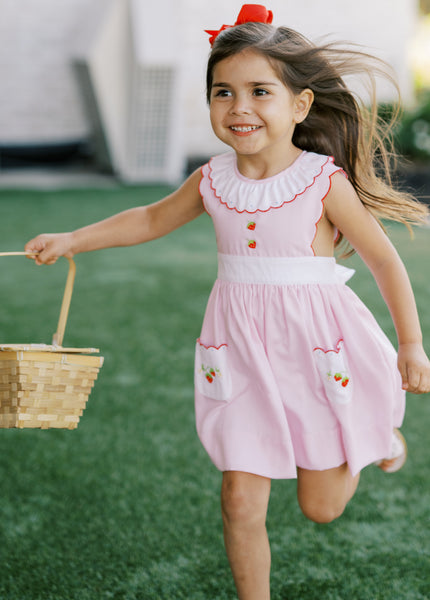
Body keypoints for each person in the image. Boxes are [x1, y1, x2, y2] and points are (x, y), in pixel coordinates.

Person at [25, 5, 430, 599]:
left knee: (320, 509)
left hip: (317, 353)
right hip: (238, 352)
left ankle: (374, 440)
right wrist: (71, 239)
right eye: (223, 92)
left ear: (300, 106)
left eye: (260, 91)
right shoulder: (212, 179)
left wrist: (412, 344)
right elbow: (149, 217)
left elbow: (384, 260)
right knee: (239, 498)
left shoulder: (322, 181)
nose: (239, 107)